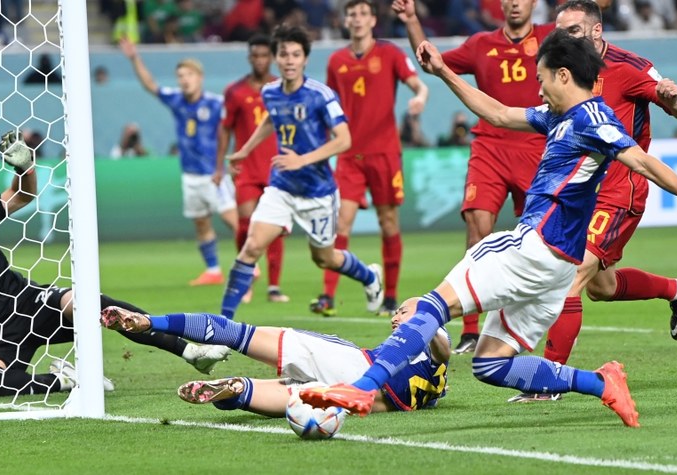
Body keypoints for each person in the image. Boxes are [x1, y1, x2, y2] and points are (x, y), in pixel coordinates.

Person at [299, 30, 677, 428]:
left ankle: (362, 388)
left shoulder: (591, 118)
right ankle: (601, 382)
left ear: (563, 75)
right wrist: (445, 71)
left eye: (542, 79)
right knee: (491, 363)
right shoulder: (562, 116)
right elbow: (498, 112)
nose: (538, 90)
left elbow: (640, 159)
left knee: (430, 306)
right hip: (556, 268)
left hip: (532, 246)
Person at [0, 132, 230, 402]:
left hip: (29, 305)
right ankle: (65, 380)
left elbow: (22, 197)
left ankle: (190, 351)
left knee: (92, 303)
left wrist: (25, 168)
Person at [510, 0, 677, 403]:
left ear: (597, 32)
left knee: (572, 275)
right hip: (581, 196)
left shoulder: (629, 66)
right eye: (561, 32)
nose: (566, 39)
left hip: (620, 189)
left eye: (575, 32)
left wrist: (672, 97)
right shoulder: (567, 73)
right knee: (600, 286)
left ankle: (548, 385)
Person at [394, 0, 553, 354]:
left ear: (533, 4)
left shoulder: (550, 39)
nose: (514, 4)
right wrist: (411, 20)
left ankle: (526, 321)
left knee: (542, 242)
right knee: (477, 230)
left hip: (537, 151)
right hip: (490, 148)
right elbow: (431, 61)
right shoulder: (481, 44)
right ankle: (470, 328)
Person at [220, 25, 383, 320]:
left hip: (318, 192)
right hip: (282, 187)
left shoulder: (321, 95)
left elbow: (344, 139)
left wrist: (303, 160)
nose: (290, 60)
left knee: (324, 258)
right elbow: (272, 118)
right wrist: (245, 148)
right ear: (276, 59)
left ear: (305, 59)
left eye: (296, 54)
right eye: (284, 54)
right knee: (251, 247)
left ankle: (370, 276)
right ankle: (221, 329)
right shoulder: (270, 92)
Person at [99, 298, 450, 416]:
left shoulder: (426, 334)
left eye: (402, 311)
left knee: (238, 333)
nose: (395, 317)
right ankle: (238, 390)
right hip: (358, 400)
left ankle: (149, 322)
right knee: (293, 397)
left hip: (356, 366)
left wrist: (429, 317)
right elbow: (440, 360)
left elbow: (442, 345)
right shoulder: (435, 383)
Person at [311, 0, 429, 317]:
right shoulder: (336, 61)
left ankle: (390, 296)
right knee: (341, 222)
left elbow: (419, 84)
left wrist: (419, 97)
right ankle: (327, 296)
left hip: (385, 152)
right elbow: (330, 110)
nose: (358, 19)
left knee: (388, 223)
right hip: (349, 154)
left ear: (373, 20)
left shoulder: (389, 53)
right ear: (345, 21)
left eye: (363, 13)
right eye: (352, 14)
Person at [120, 37, 238, 286]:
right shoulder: (176, 100)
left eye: (188, 75)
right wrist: (134, 58)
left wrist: (233, 160)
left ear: (200, 77)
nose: (184, 80)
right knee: (201, 222)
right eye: (180, 76)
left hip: (213, 174)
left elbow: (234, 129)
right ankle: (213, 270)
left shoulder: (216, 104)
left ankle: (249, 266)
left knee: (233, 221)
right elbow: (151, 85)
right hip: (190, 174)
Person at [216, 34, 289, 304]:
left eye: (263, 55)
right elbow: (225, 130)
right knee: (246, 224)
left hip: (276, 168)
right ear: (250, 58)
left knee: (277, 225)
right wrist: (219, 166)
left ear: (270, 57)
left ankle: (274, 286)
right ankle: (245, 281)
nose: (259, 60)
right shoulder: (235, 92)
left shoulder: (281, 88)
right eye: (255, 55)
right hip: (247, 169)